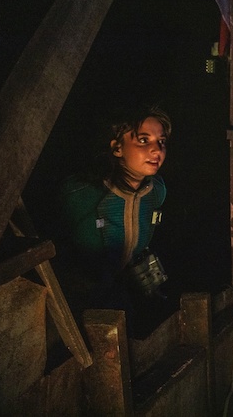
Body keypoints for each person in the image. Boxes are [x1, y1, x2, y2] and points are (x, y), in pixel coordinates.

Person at [56, 104, 172, 327]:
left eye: (162, 141)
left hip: (120, 285)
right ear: (117, 148)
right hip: (77, 295)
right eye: (143, 140)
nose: (156, 150)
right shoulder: (82, 193)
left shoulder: (156, 191)